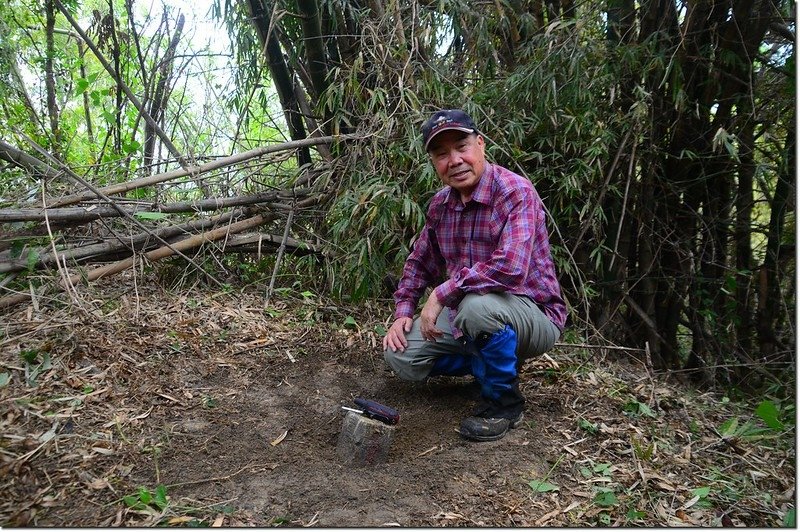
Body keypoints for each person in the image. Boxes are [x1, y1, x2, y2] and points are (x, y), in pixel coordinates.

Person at [382, 109, 567, 442]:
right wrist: (404, 311)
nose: (454, 160)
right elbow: (420, 260)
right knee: (400, 354)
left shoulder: (515, 193)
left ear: (480, 144)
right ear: (434, 163)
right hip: (472, 316)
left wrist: (441, 293)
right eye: (441, 154)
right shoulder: (441, 205)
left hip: (534, 316)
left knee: (475, 306)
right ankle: (487, 368)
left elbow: (510, 268)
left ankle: (504, 404)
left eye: (462, 147)